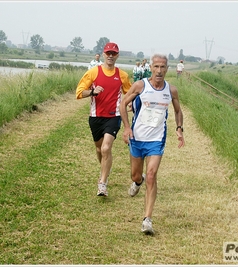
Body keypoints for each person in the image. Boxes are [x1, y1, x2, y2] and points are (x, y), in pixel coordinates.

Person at [119, 53, 185, 234]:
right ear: (150, 67)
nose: (159, 70)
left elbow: (179, 111)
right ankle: (137, 183)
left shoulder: (171, 90)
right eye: (156, 66)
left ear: (167, 69)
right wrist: (126, 128)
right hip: (137, 138)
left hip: (157, 139)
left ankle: (147, 219)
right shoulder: (141, 86)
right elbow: (123, 104)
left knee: (151, 175)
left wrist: (179, 128)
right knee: (136, 176)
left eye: (163, 67)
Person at [76, 42, 132, 197]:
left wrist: (131, 103)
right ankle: (105, 169)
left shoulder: (122, 75)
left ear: (117, 55)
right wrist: (92, 92)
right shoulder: (94, 72)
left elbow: (130, 92)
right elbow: (79, 92)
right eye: (108, 53)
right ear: (103, 54)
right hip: (95, 117)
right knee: (99, 149)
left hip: (113, 116)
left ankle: (102, 184)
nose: (111, 56)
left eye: (114, 54)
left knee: (106, 148)